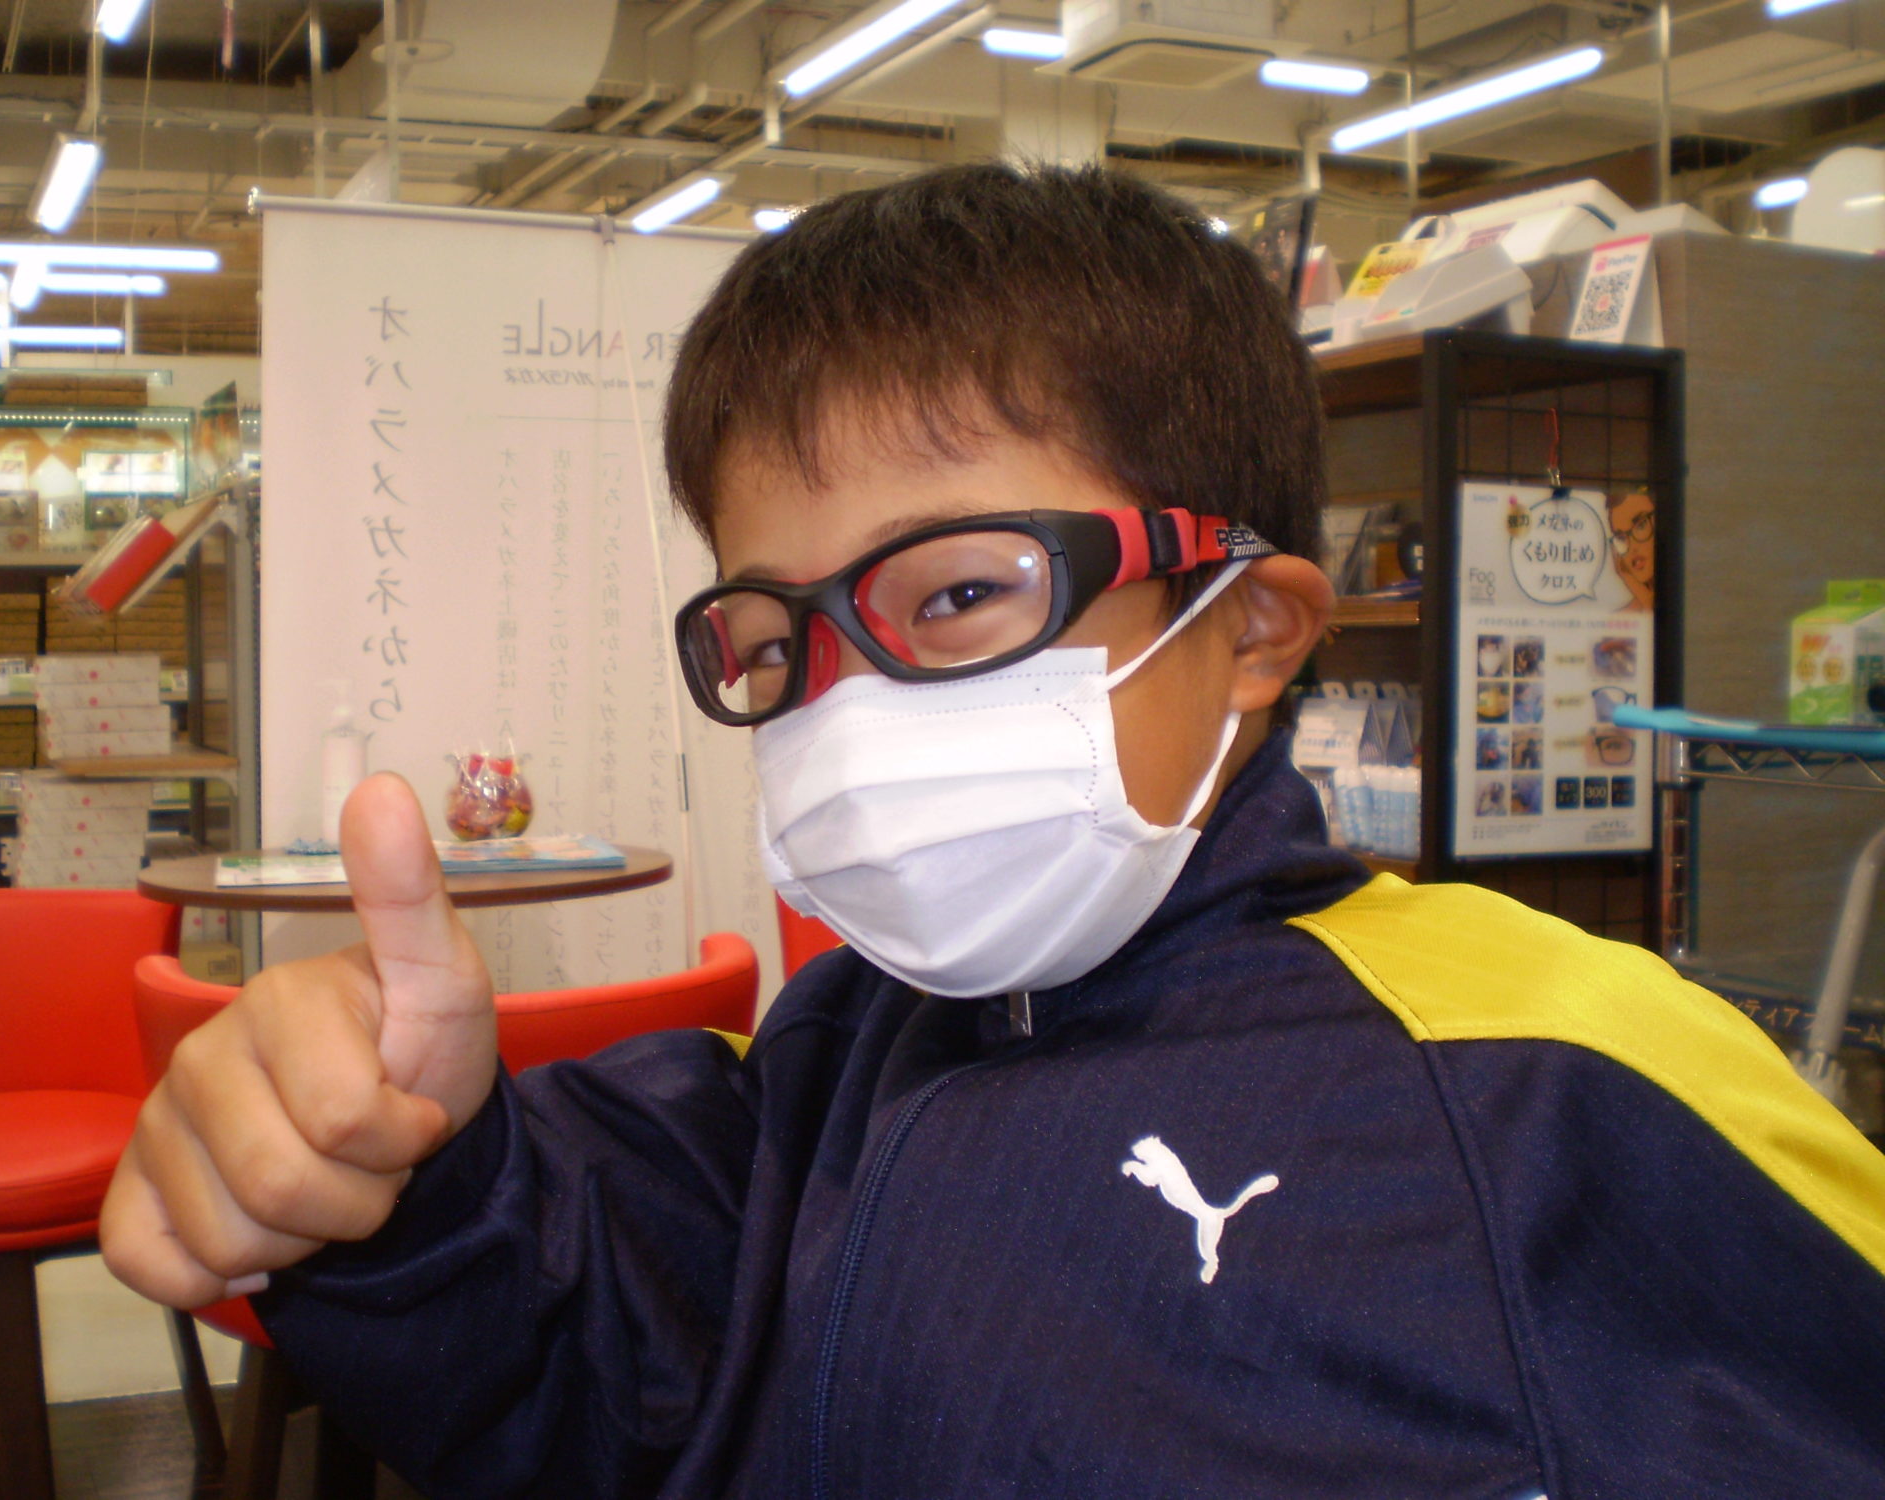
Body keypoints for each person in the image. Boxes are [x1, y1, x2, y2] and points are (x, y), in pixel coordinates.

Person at [102, 164, 1885, 1499]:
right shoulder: (824, 1071)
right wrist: (406, 1177)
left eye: (959, 594)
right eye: (776, 640)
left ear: (1251, 629)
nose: (848, 703)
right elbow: (594, 1366)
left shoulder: (1555, 1087)